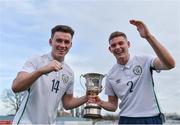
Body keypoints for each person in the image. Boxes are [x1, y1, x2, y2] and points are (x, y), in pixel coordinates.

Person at [90, 19, 175, 124]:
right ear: (110, 49)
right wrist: (100, 102)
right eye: (113, 45)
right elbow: (113, 106)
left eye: (121, 43)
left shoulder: (145, 60)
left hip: (151, 119)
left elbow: (170, 64)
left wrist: (148, 36)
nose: (117, 47)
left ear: (128, 44)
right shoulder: (111, 75)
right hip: (126, 120)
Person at [12, 25, 89, 124]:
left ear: (71, 45)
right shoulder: (36, 61)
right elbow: (16, 86)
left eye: (66, 42)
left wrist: (86, 97)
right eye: (58, 40)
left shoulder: (69, 73)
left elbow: (67, 103)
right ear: (50, 42)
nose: (62, 45)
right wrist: (41, 71)